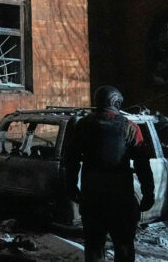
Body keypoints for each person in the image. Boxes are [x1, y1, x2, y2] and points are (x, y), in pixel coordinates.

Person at [63, 85, 155, 262]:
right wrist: (148, 192)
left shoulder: (83, 125)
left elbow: (71, 159)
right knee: (124, 246)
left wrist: (71, 186)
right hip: (121, 198)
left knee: (94, 247)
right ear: (116, 102)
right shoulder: (130, 127)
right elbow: (142, 164)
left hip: (92, 197)